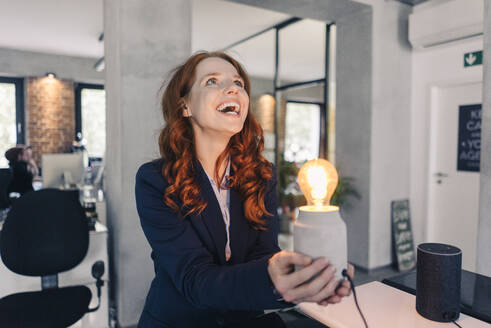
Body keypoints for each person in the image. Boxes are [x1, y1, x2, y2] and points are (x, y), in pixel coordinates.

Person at [135, 51, 354, 328]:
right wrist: (271, 279)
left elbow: (264, 256)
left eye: (238, 83)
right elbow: (194, 279)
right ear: (185, 106)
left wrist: (300, 278)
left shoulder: (262, 175)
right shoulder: (156, 180)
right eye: (212, 81)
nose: (232, 88)